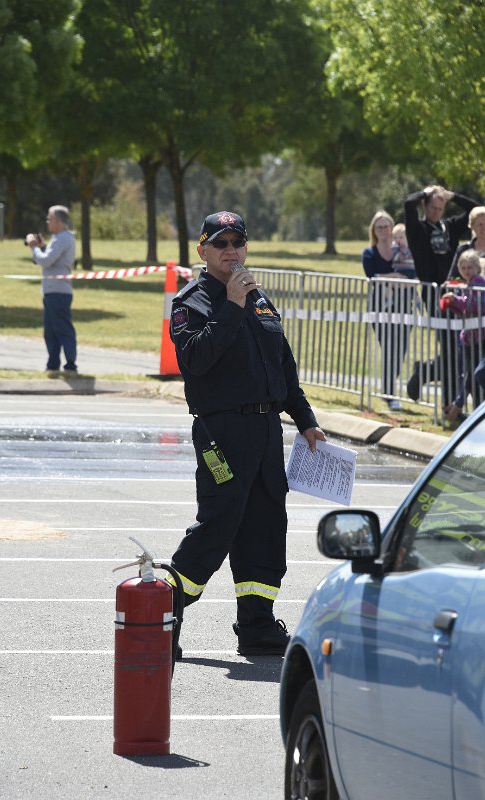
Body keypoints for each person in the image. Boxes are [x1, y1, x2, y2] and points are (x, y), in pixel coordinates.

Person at [168, 211, 326, 657]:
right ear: (202, 251)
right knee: (219, 521)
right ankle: (165, 613)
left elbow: (283, 368)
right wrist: (231, 307)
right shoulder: (191, 303)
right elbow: (197, 360)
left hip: (265, 429)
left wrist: (306, 419)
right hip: (223, 432)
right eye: (221, 244)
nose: (231, 251)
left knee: (266, 524)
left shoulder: (259, 299)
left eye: (238, 242)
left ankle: (256, 624)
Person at [404, 185, 477, 406]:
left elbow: (474, 209)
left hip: (455, 289)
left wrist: (452, 195)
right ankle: (445, 397)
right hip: (433, 291)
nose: (437, 212)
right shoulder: (418, 230)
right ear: (426, 207)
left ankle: (426, 371)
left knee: (458, 346)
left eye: (440, 207)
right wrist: (425, 193)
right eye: (433, 207)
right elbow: (408, 204)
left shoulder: (450, 226)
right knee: (449, 344)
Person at [362, 211, 411, 411]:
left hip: (403, 305)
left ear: (392, 228)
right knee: (390, 347)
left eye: (386, 226)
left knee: (401, 349)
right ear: (374, 230)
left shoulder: (402, 249)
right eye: (379, 227)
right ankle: (389, 393)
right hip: (380, 307)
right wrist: (395, 276)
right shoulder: (369, 253)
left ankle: (387, 388)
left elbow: (410, 273)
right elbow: (373, 276)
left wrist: (393, 278)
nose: (383, 230)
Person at [25, 206, 77, 373]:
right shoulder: (60, 238)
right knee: (50, 331)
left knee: (62, 329)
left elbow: (46, 260)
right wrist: (41, 247)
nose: (48, 221)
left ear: (59, 222)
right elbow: (49, 258)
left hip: (59, 292)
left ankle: (70, 365)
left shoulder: (62, 238)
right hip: (51, 291)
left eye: (50, 218)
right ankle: (53, 364)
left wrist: (34, 247)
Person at [441, 250, 485, 421]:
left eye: (471, 267)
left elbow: (476, 306)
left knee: (474, 376)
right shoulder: (467, 285)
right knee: (470, 377)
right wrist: (451, 304)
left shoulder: (479, 283)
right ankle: (471, 414)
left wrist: (456, 300)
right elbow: (465, 310)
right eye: (463, 267)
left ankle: (459, 407)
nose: (467, 271)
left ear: (477, 269)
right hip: (469, 339)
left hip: (480, 339)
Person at [447, 206, 485, 280]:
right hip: (466, 291)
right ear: (472, 226)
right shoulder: (463, 249)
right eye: (480, 224)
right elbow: (453, 277)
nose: (483, 228)